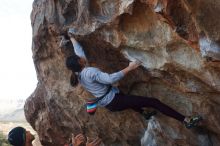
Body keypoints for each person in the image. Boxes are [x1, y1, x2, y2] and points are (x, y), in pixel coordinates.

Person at [65, 28, 202, 129]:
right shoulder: (89, 71)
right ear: (80, 62)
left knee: (131, 101)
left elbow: (79, 52)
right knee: (153, 101)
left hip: (110, 101)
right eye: (80, 59)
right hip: (114, 100)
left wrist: (71, 38)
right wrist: (130, 67)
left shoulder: (78, 73)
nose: (82, 57)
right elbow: (109, 79)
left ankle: (144, 113)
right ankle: (186, 120)